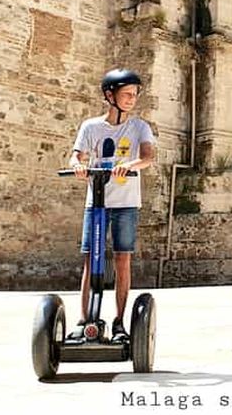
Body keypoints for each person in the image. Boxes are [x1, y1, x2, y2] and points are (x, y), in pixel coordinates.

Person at [67, 69, 156, 341]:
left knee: (122, 259)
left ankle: (119, 322)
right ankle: (85, 320)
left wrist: (130, 165)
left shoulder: (140, 127)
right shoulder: (91, 127)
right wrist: (78, 165)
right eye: (126, 94)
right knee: (91, 259)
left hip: (126, 203)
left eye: (134, 94)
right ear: (109, 95)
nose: (131, 99)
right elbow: (76, 156)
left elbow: (148, 156)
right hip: (96, 202)